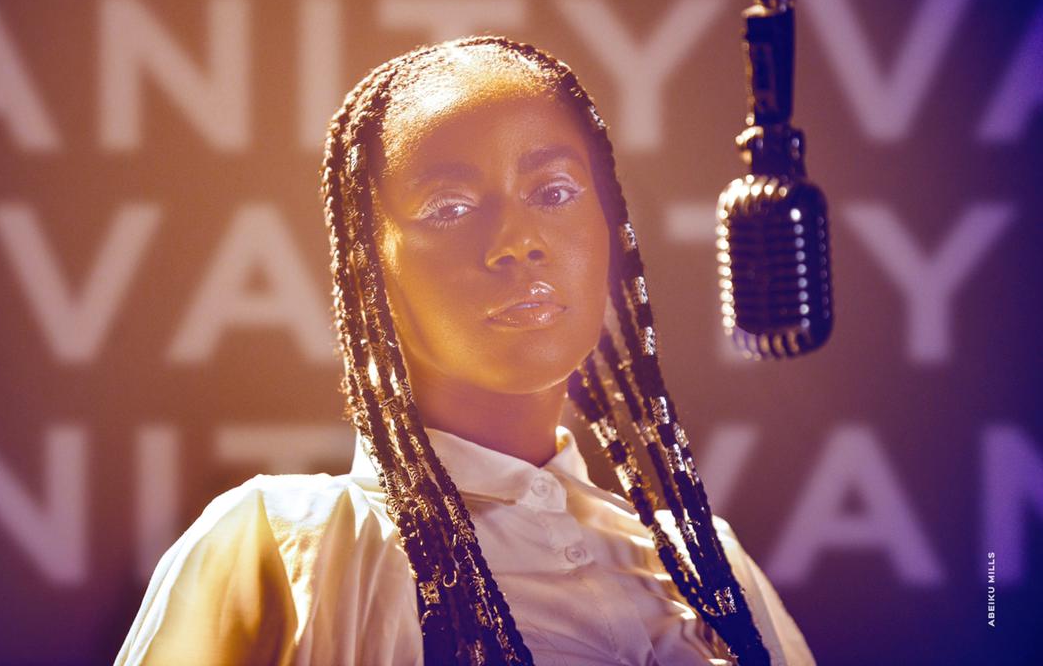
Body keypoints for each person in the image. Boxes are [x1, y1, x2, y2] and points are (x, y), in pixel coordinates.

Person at [116, 36, 816, 666]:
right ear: (370, 270)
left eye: (554, 192)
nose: (517, 240)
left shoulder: (710, 568)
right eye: (449, 207)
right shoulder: (287, 547)